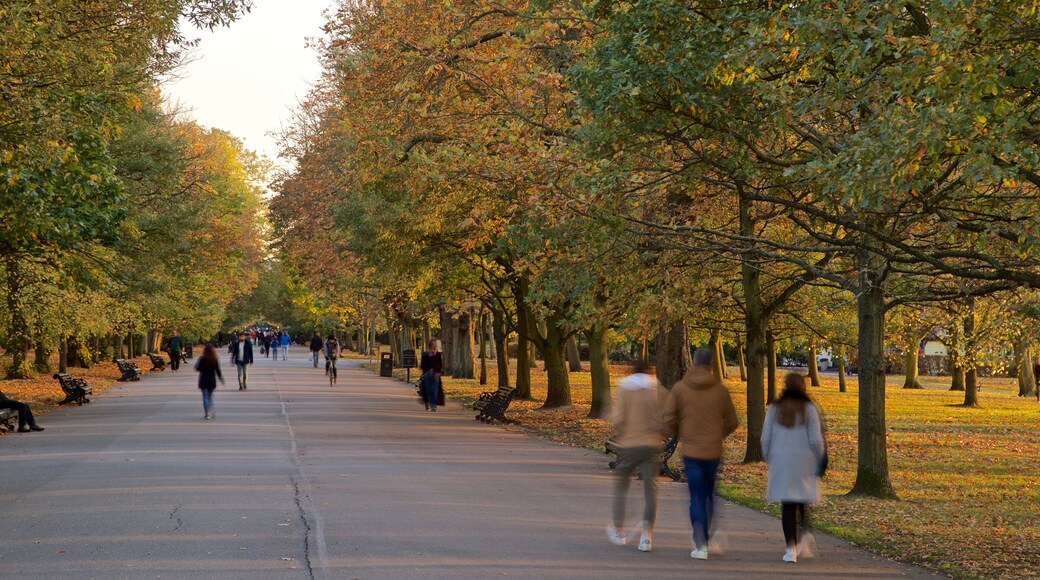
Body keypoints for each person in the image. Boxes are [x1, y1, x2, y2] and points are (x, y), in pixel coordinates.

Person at [663, 347, 739, 560]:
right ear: (711, 365)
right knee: (708, 494)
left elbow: (668, 418)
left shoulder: (680, 389)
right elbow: (733, 421)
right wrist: (719, 434)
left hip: (691, 449)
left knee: (696, 495)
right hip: (713, 450)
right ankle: (705, 536)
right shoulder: (720, 390)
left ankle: (701, 543)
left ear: (694, 363)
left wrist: (681, 433)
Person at [761, 373, 826, 563]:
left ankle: (791, 549)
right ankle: (805, 534)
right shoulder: (809, 408)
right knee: (802, 498)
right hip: (804, 460)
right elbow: (815, 439)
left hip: (782, 459)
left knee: (788, 504)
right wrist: (819, 457)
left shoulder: (774, 409)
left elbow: (765, 437)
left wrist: (768, 457)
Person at [607, 359, 665, 552]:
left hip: (629, 444)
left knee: (621, 487)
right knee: (650, 490)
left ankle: (619, 530)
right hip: (651, 444)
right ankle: (646, 536)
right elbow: (664, 416)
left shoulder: (625, 387)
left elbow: (619, 417)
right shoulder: (656, 388)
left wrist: (620, 431)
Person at [194, 344, 225, 419]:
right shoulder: (215, 359)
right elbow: (218, 370)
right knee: (210, 397)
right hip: (212, 379)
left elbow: (197, 368)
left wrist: (202, 368)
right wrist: (221, 379)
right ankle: (211, 410)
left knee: (205, 397)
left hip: (203, 379)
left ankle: (207, 413)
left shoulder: (202, 358)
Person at [419, 339, 443, 412]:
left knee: (434, 390)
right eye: (433, 344)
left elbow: (440, 364)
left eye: (435, 344)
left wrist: (436, 370)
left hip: (435, 374)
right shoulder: (425, 354)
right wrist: (427, 370)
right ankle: (427, 402)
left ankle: (433, 405)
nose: (434, 346)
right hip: (427, 374)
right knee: (427, 390)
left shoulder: (438, 354)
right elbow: (423, 364)